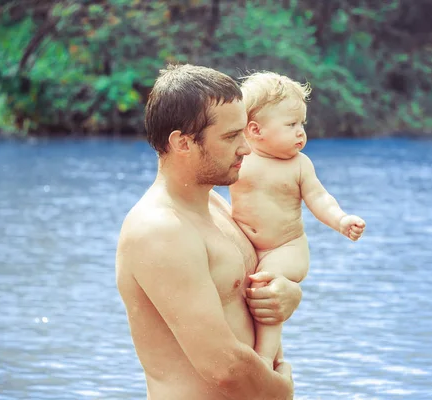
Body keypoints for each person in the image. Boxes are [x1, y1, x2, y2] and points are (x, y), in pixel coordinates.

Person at [115, 64, 303, 400]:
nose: (246, 148)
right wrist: (282, 392)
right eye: (231, 137)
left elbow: (254, 285)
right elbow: (224, 367)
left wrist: (286, 295)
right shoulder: (159, 230)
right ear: (183, 143)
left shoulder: (215, 206)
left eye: (244, 133)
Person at [229, 71, 366, 368]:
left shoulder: (299, 165)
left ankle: (264, 359)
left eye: (302, 124)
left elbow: (319, 198)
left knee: (267, 294)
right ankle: (251, 350)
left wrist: (341, 220)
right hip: (250, 247)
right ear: (254, 130)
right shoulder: (240, 157)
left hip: (286, 248)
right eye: (291, 125)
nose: (301, 132)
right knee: (240, 292)